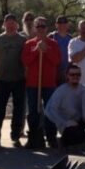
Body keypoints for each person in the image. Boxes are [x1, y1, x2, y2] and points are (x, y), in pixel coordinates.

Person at [21, 16, 61, 149]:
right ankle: (33, 137)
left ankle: (51, 138)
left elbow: (56, 61)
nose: (40, 29)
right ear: (34, 28)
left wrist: (46, 50)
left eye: (43, 26)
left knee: (49, 111)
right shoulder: (29, 44)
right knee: (33, 112)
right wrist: (36, 50)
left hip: (49, 84)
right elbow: (25, 61)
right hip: (33, 84)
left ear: (47, 28)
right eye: (37, 26)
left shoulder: (53, 44)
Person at [0, 13, 27, 148]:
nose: (10, 25)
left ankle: (15, 135)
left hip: (19, 79)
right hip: (2, 80)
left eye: (13, 22)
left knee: (18, 109)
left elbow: (27, 59)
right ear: (4, 24)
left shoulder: (23, 40)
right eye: (8, 22)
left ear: (16, 24)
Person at [45, 63, 85, 152]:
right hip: (66, 125)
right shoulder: (61, 91)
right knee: (73, 135)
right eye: (72, 75)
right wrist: (64, 122)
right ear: (67, 76)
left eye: (78, 74)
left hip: (80, 121)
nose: (75, 77)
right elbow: (49, 110)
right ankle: (64, 143)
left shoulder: (84, 90)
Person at [49, 15, 72, 85]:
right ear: (56, 25)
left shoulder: (71, 39)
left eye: (64, 23)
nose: (62, 25)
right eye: (60, 23)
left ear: (67, 25)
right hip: (53, 72)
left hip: (67, 72)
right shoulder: (51, 37)